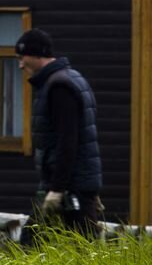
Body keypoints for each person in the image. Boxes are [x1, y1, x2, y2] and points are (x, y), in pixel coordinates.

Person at [16, 28, 103, 236]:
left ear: (37, 55)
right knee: (81, 246)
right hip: (74, 185)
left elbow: (68, 140)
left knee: (31, 242)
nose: (20, 65)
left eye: (22, 58)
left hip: (68, 187)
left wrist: (57, 189)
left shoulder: (59, 87)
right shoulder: (71, 79)